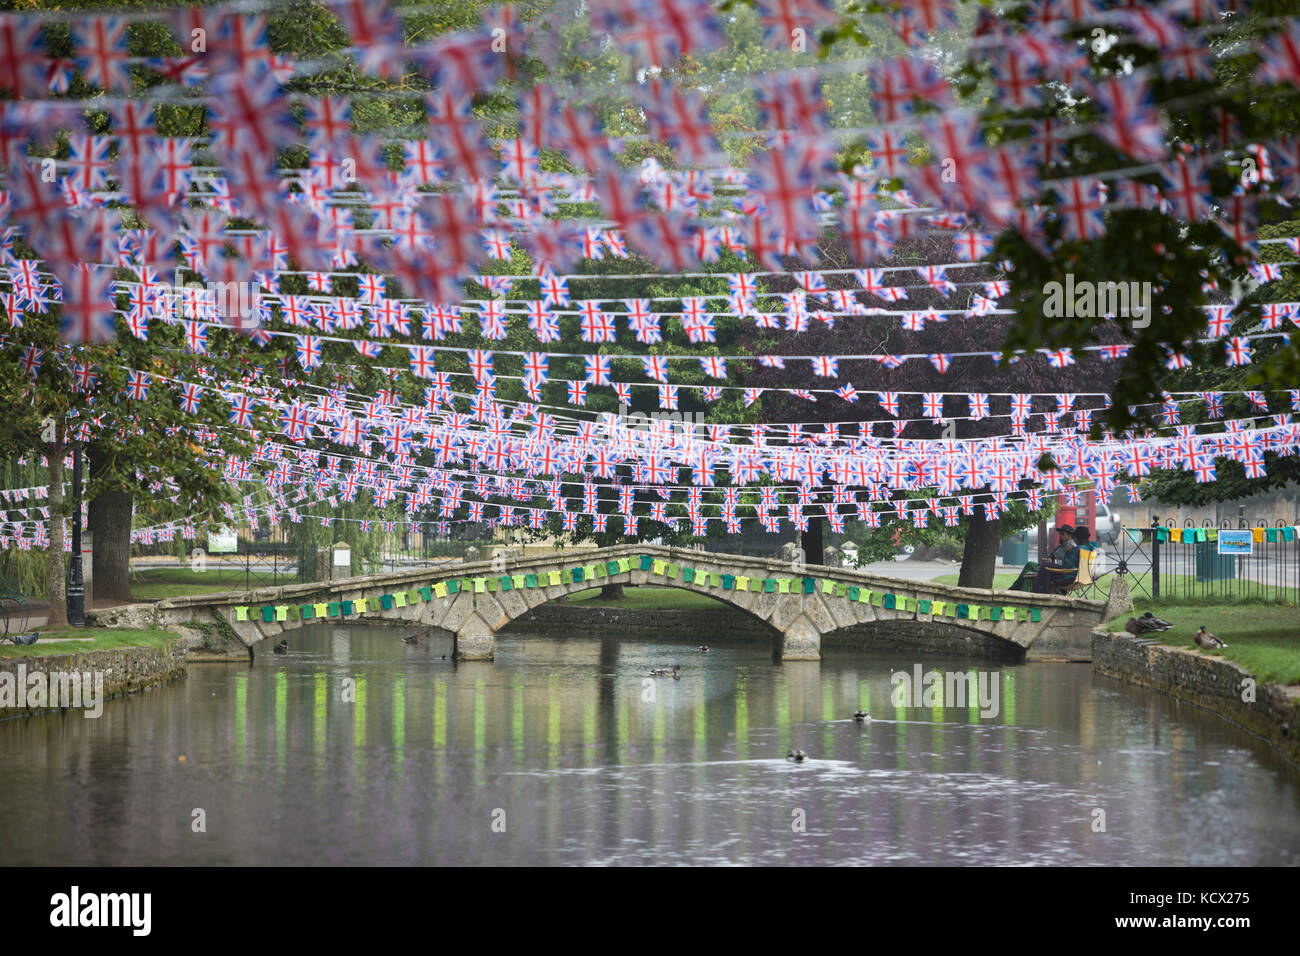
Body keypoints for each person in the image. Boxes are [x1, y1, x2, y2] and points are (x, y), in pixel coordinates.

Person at [1009, 525, 1074, 591]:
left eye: (1063, 534)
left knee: (1030, 566)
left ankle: (1015, 588)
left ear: (1070, 536)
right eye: (1060, 534)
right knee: (1029, 568)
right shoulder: (1062, 545)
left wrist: (1052, 561)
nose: (1060, 536)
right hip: (1049, 568)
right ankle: (1016, 588)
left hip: (1054, 571)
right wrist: (1049, 560)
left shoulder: (1070, 547)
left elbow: (1064, 563)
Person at [1033, 526, 1089, 593]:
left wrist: (1054, 561)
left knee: (1045, 568)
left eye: (1062, 534)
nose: (1060, 536)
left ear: (1075, 537)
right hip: (1082, 578)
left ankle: (1039, 594)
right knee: (1046, 568)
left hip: (1070, 577)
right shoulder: (1089, 548)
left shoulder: (1075, 549)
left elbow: (1066, 566)